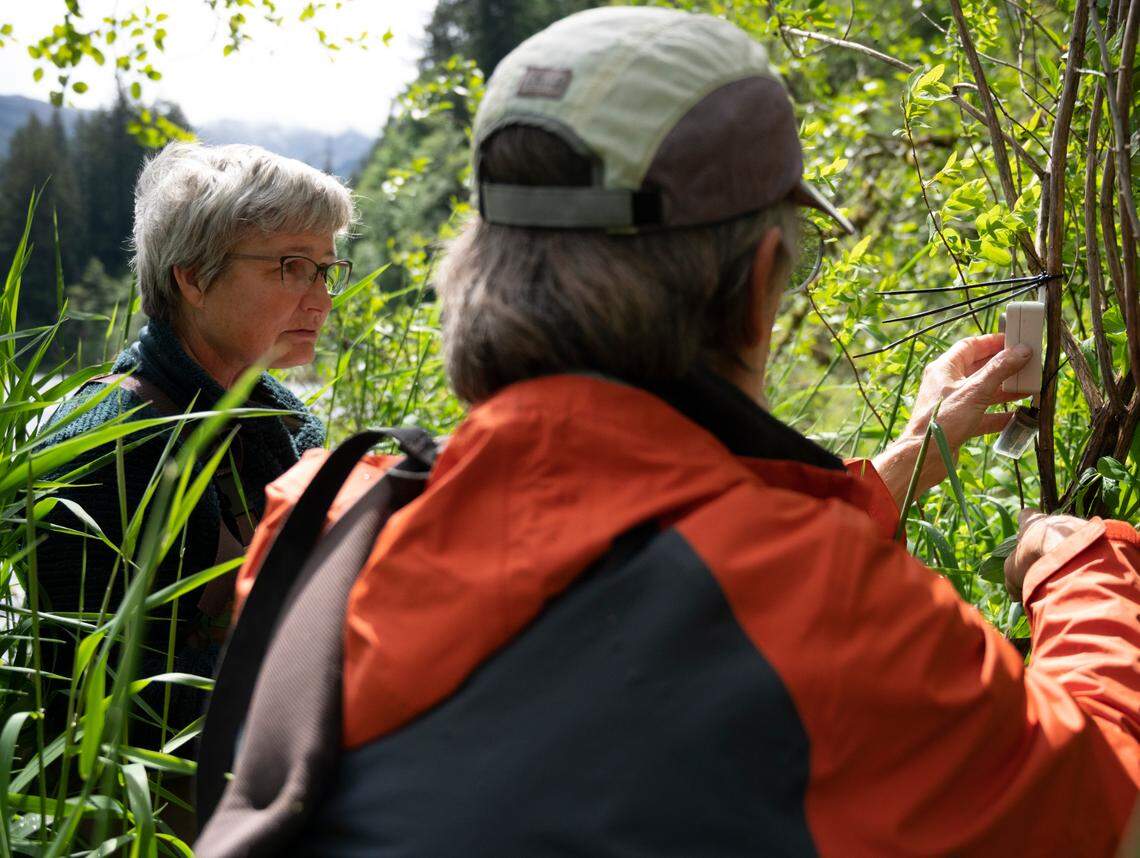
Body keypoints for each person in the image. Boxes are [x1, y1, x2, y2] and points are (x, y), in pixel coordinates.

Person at [279, 7, 1136, 856]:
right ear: (760, 280)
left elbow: (634, 523)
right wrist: (1086, 564)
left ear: (482, 262)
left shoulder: (322, 517)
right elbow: (1109, 813)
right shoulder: (826, 606)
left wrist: (914, 448)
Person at [38, 142, 354, 733]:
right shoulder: (108, 448)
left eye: (327, 270)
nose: (319, 300)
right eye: (291, 267)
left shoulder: (288, 423)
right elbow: (87, 708)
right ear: (193, 278)